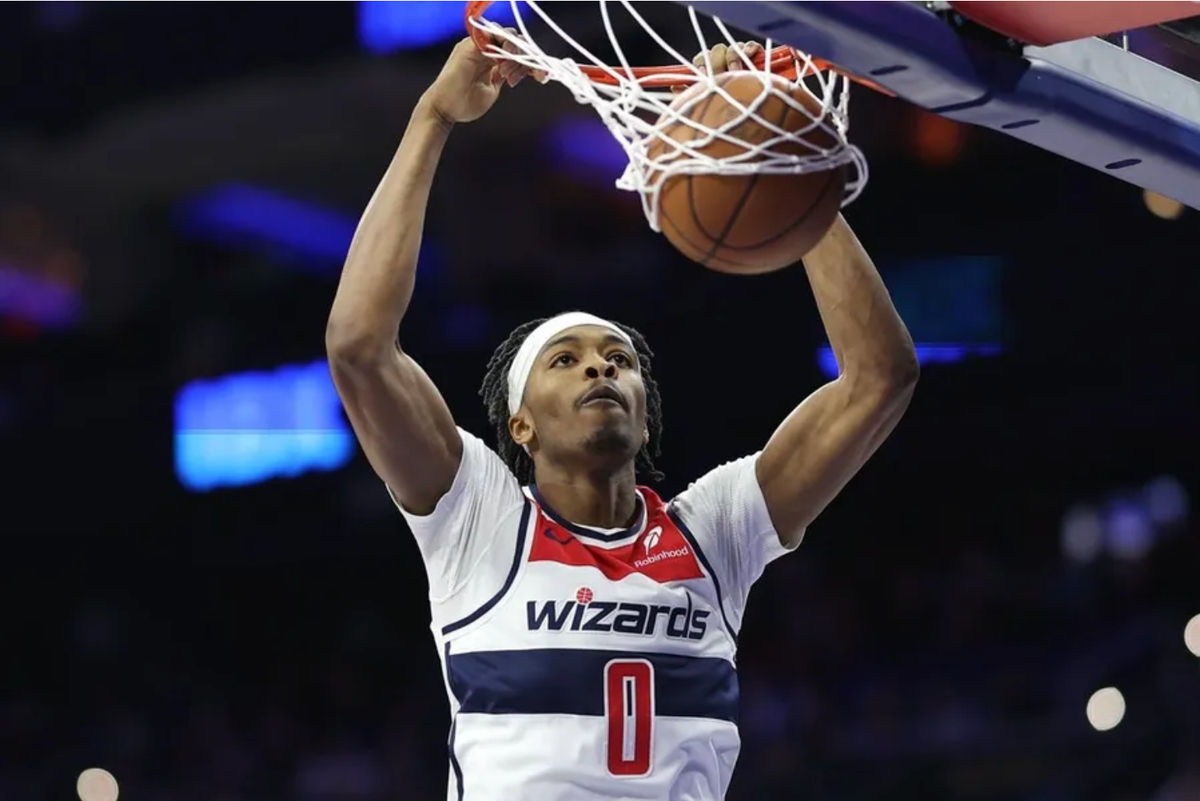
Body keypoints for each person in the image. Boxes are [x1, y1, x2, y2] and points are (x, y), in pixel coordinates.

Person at [326, 34, 918, 801]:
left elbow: (879, 378)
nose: (600, 367)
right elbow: (359, 346)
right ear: (522, 426)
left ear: (644, 417)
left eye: (619, 359)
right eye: (564, 359)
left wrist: (777, 160)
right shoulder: (481, 521)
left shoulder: (714, 531)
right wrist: (433, 116)